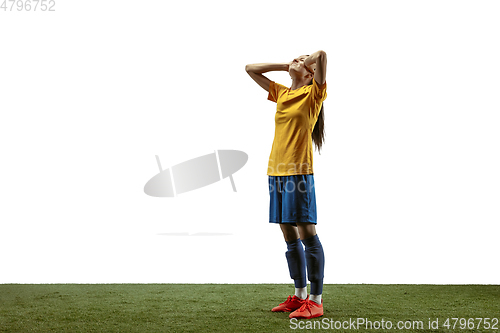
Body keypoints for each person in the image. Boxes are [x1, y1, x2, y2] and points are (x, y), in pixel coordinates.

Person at [245, 51, 327, 319]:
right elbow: (250, 68)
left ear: (310, 74)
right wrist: (286, 65)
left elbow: (323, 55)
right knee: (288, 233)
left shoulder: (314, 94)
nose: (297, 59)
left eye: (303, 60)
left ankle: (316, 300)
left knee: (306, 231)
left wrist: (307, 60)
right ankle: (300, 295)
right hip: (276, 171)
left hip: (298, 171)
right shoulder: (281, 93)